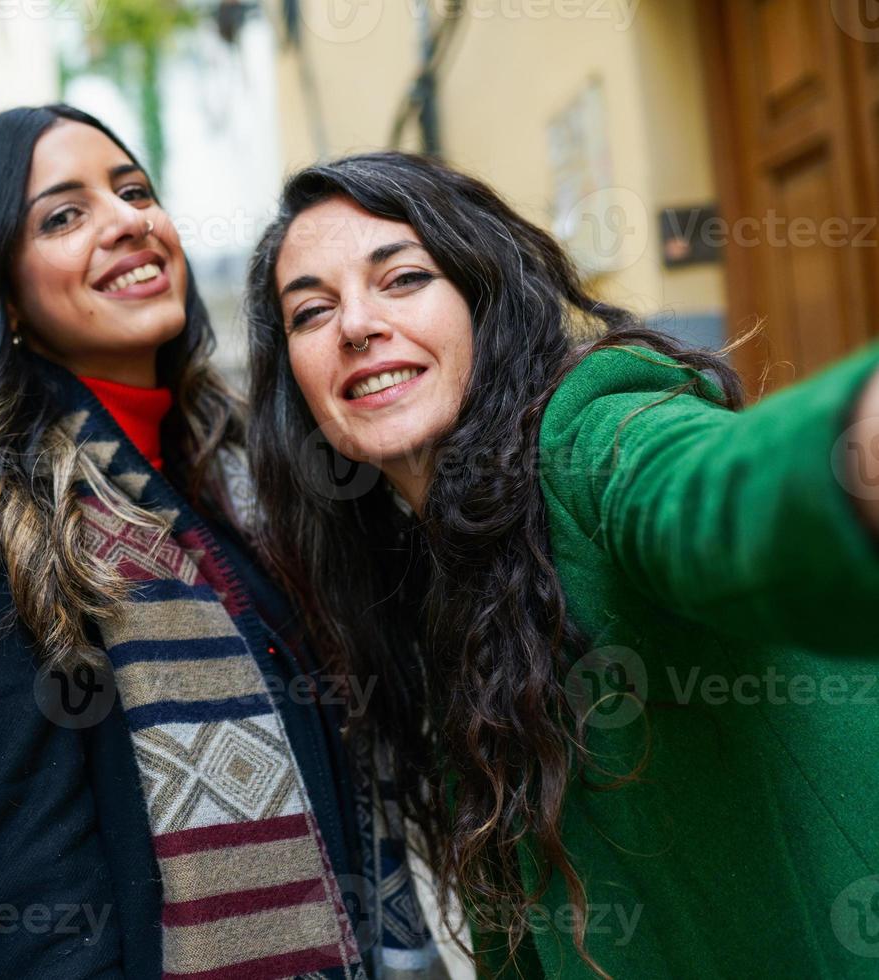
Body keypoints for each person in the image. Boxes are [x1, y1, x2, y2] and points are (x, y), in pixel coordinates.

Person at [243, 151, 879, 978]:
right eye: (312, 311)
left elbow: (716, 494)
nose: (356, 324)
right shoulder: (417, 577)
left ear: (483, 297)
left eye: (401, 279)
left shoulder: (593, 439)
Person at [0, 106, 446, 979]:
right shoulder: (5, 546)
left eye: (135, 191)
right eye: (64, 215)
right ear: (5, 293)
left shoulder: (257, 483)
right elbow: (30, 928)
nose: (128, 220)